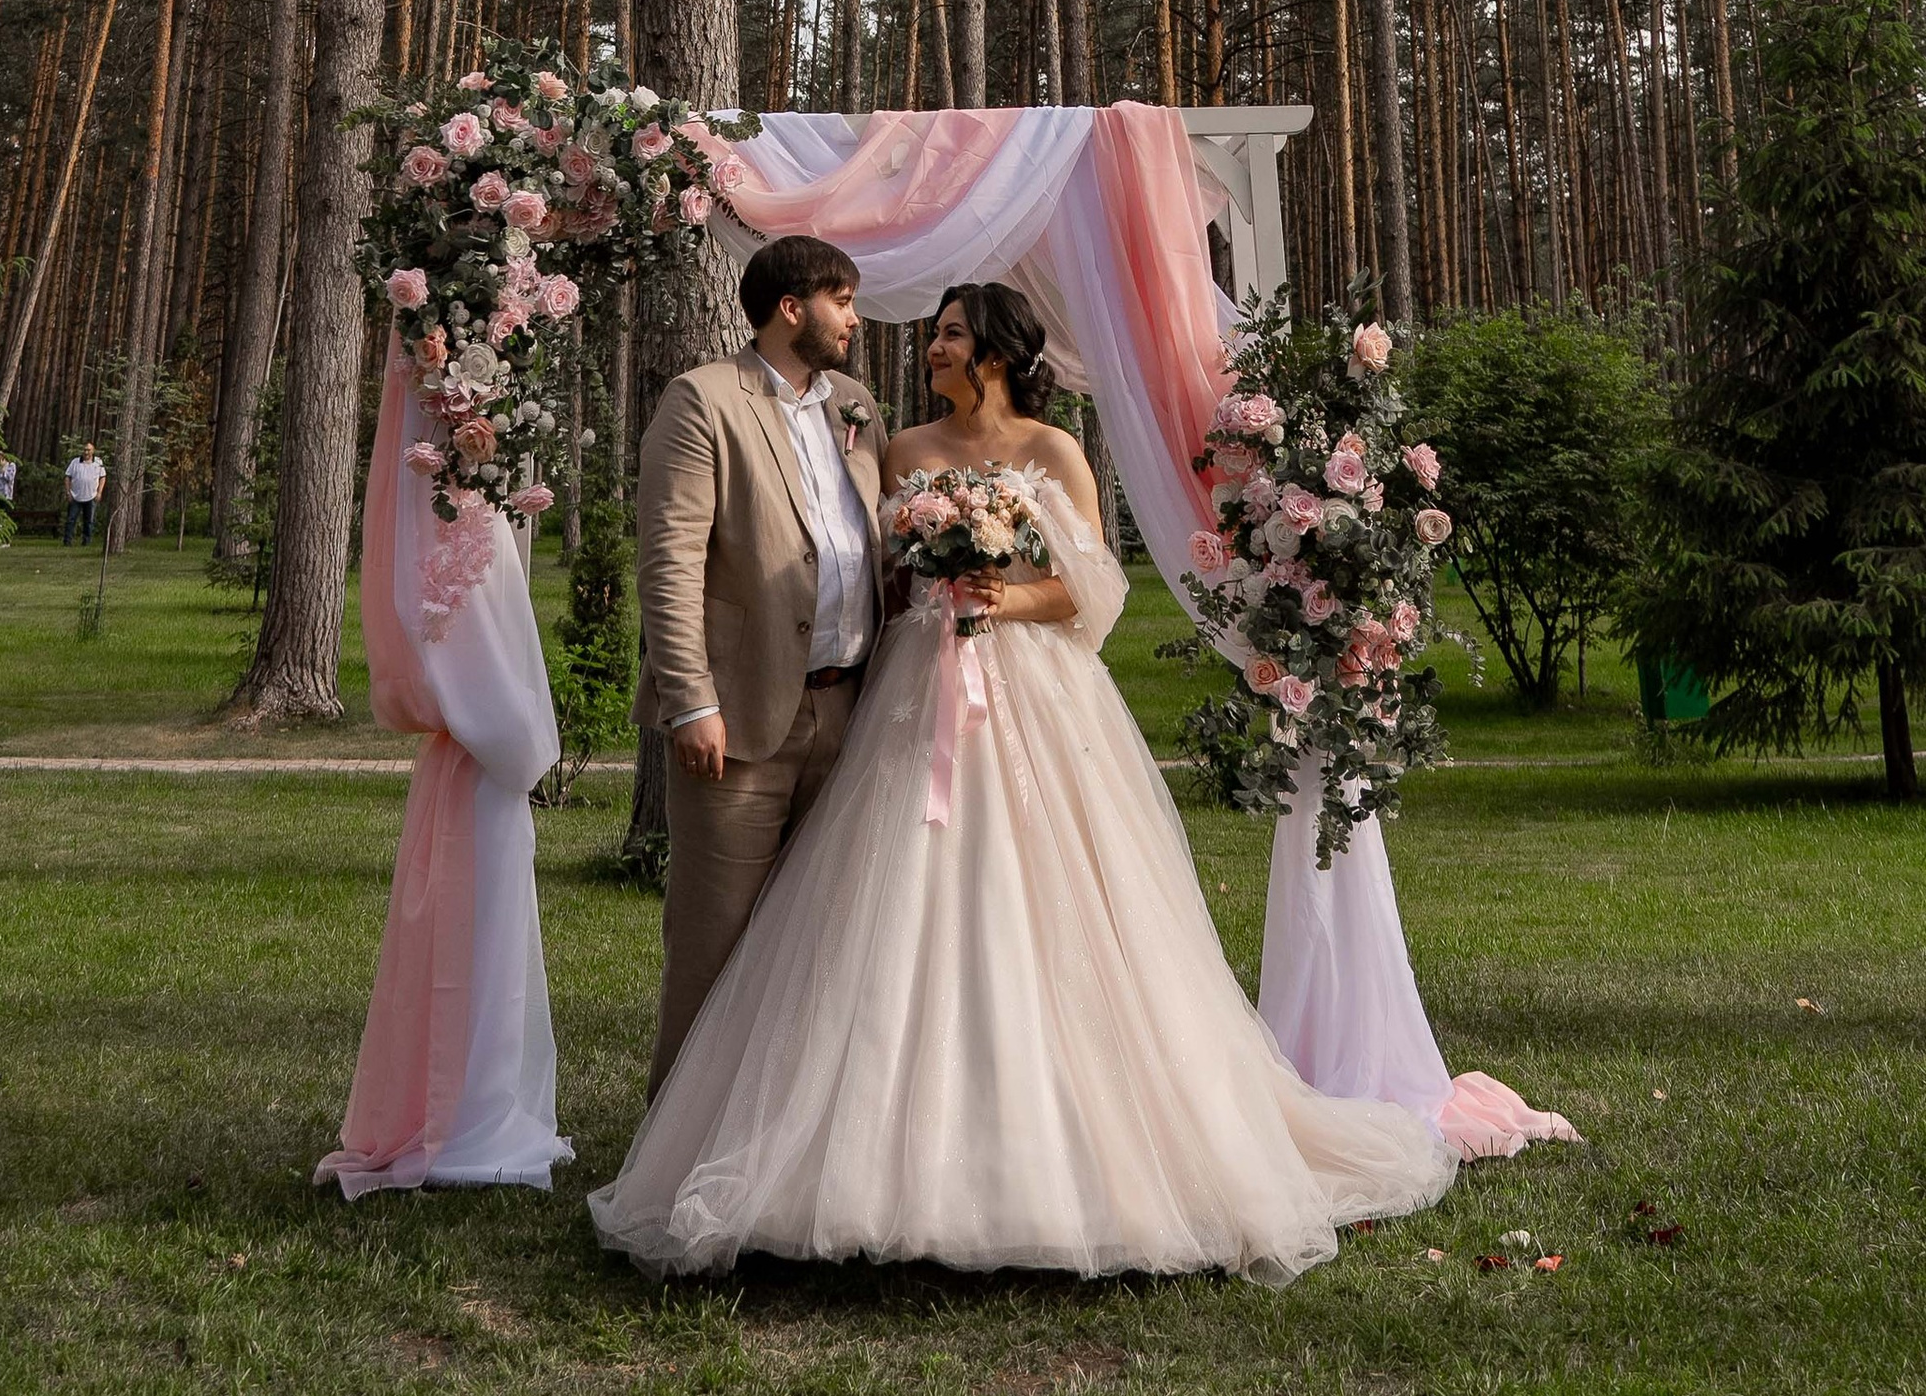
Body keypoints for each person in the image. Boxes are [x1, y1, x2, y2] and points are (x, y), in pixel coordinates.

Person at [588, 281, 1455, 1283]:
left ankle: (1057, 1151)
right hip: (915, 693)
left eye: (950, 336)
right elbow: (875, 575)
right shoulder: (901, 450)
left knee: (1049, 907)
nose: (932, 350)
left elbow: (1093, 592)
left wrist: (1001, 592)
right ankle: (855, 1149)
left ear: (993, 353)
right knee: (889, 906)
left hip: (1034, 697)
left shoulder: (1052, 451)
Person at [628, 230, 884, 1096]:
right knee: (716, 945)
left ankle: (778, 1155)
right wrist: (692, 703)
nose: (853, 318)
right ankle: (671, 1163)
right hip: (738, 719)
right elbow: (669, 561)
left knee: (821, 946)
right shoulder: (701, 400)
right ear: (790, 307)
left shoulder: (855, 405)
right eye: (841, 301)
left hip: (848, 712)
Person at [61, 440, 105, 545]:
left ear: (93, 451)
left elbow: (102, 477)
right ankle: (67, 541)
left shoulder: (98, 462)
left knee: (89, 521)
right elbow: (67, 477)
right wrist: (68, 492)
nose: (86, 452)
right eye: (85, 450)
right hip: (75, 496)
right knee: (71, 520)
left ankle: (86, 541)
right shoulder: (75, 462)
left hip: (91, 496)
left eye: (88, 450)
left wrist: (99, 492)